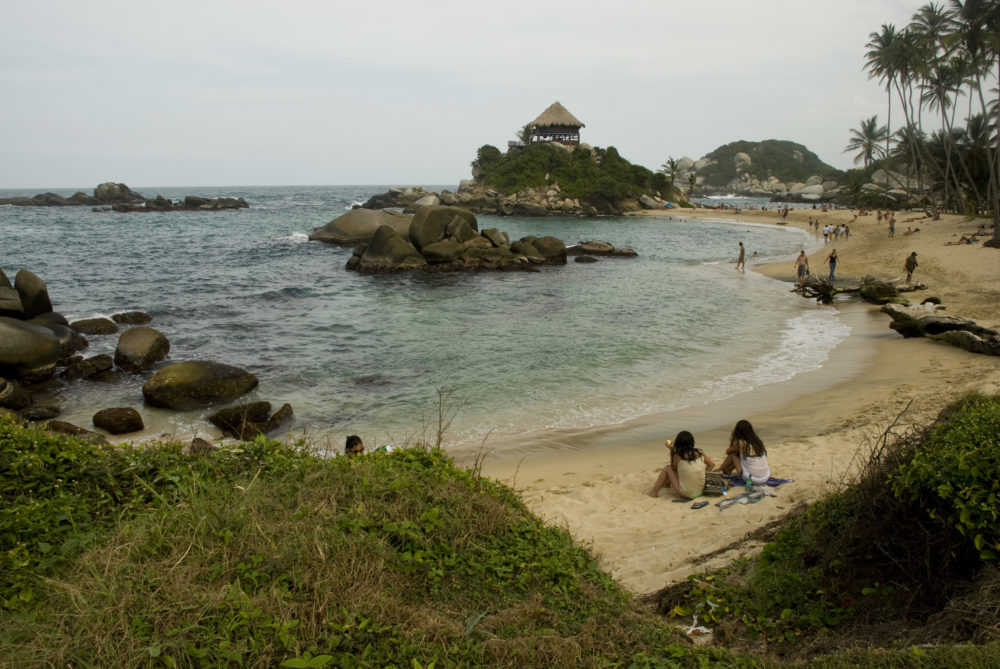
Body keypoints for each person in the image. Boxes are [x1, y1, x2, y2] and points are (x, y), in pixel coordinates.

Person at [649, 431, 716, 499]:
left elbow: (673, 468)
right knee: (684, 469)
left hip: (686, 494)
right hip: (700, 491)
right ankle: (666, 485)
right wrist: (702, 474)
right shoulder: (699, 452)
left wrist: (672, 451)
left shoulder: (678, 456)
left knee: (667, 468)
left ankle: (653, 492)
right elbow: (712, 464)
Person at [716, 419, 770, 484]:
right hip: (765, 476)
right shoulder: (757, 442)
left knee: (733, 454)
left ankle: (719, 470)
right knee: (741, 455)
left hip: (751, 479)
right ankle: (726, 470)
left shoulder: (740, 442)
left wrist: (733, 441)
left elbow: (727, 452)